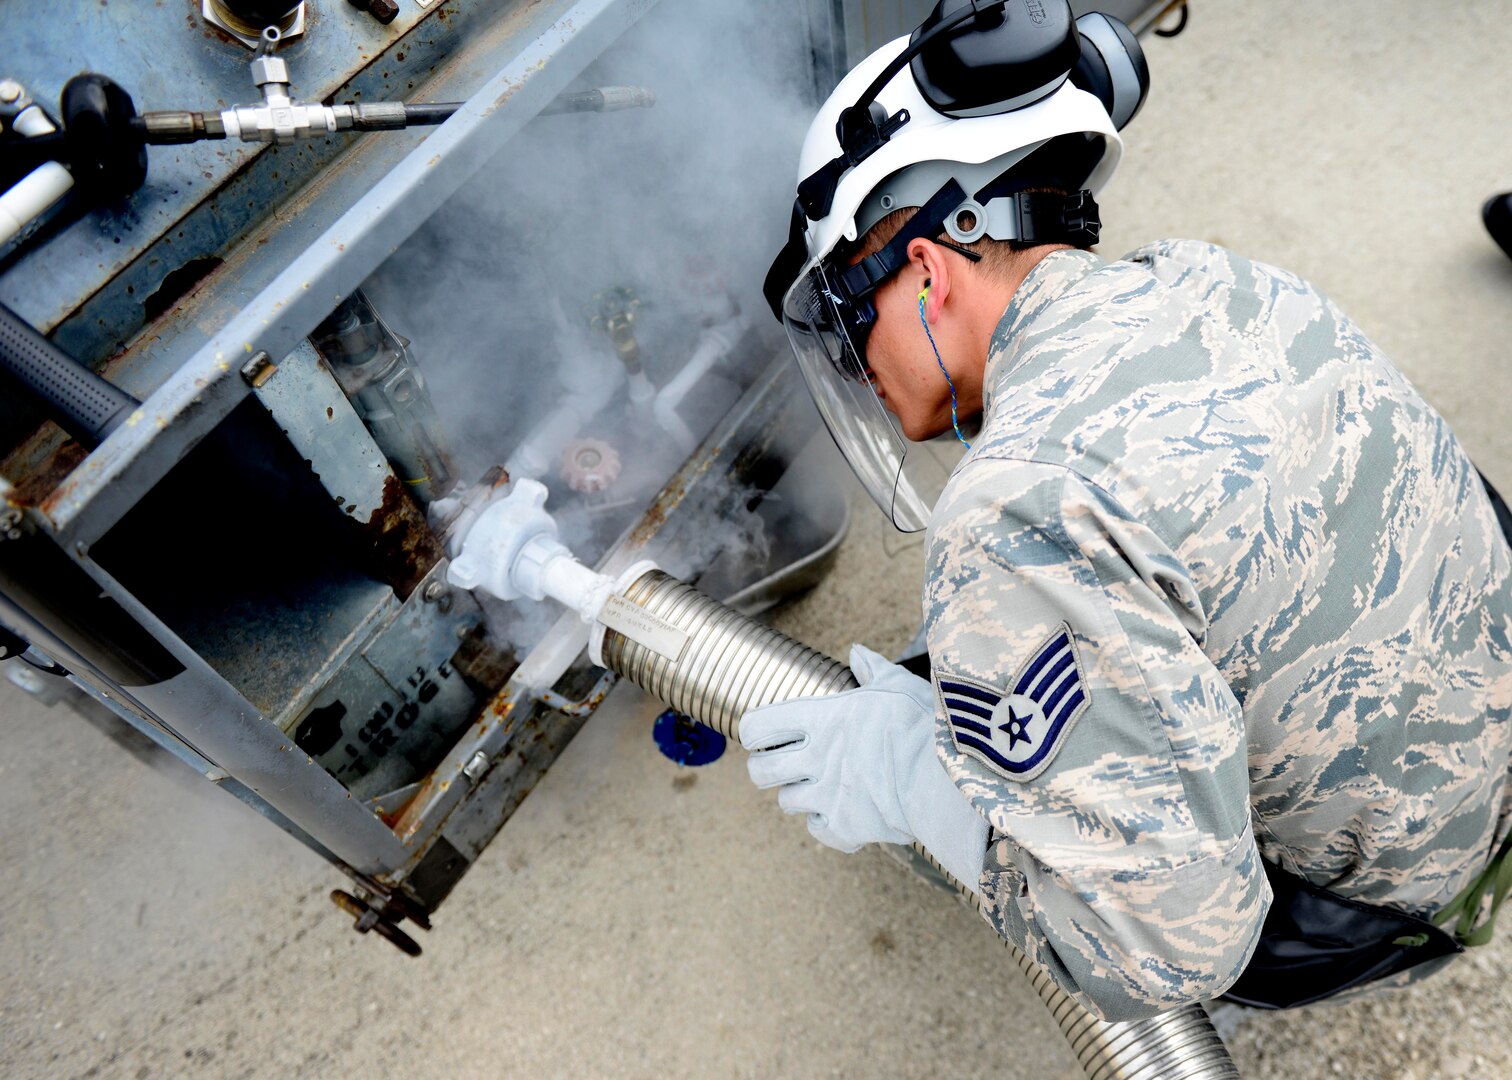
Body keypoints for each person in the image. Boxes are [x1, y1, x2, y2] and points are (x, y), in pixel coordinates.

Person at [740, 0, 1512, 1022]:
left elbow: (1165, 953)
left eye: (848, 321)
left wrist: (918, 788)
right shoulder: (1219, 281)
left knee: (1066, 872)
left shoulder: (1016, 509)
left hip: (1384, 908)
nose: (851, 364)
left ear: (925, 273)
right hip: (1481, 781)